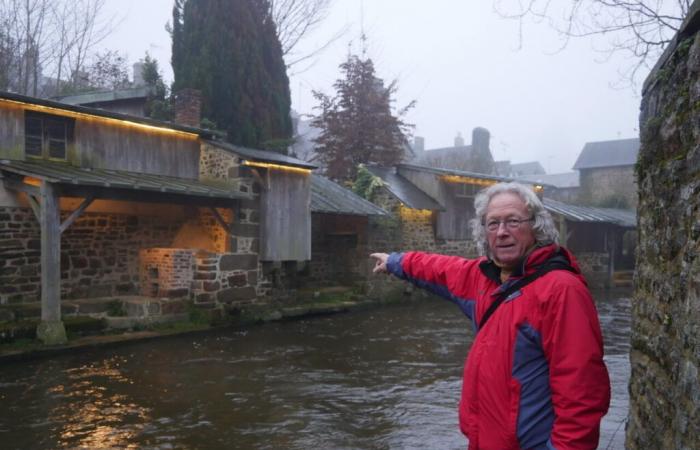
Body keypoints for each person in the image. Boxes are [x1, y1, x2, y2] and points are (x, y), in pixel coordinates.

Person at [370, 182, 610, 450]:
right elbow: (440, 269)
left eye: (513, 221)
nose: (502, 232)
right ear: (483, 232)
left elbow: (582, 395)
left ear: (536, 226)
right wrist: (395, 262)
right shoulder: (485, 279)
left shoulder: (562, 291)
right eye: (493, 224)